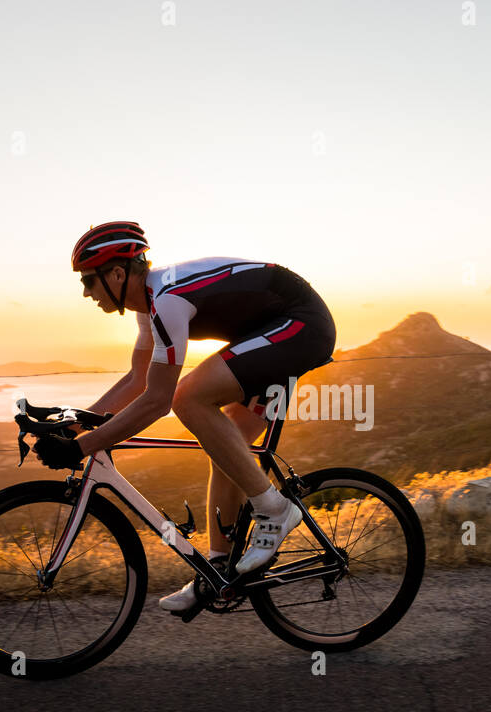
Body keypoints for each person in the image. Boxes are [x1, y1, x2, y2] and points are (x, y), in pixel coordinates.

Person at [33, 221, 337, 612]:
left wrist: (81, 447)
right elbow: (138, 380)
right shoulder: (149, 308)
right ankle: (218, 573)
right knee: (227, 449)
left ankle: (275, 511)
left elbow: (158, 401)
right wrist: (79, 421)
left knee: (188, 398)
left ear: (117, 274)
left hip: (301, 323)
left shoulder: (167, 300)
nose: (85, 292)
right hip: (278, 329)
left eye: (89, 281)